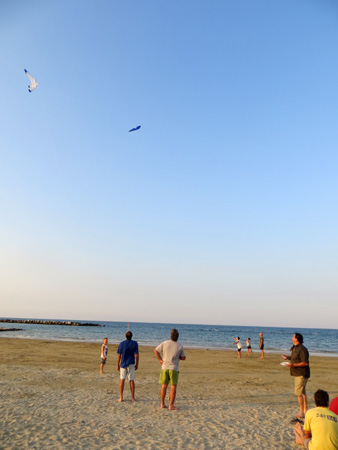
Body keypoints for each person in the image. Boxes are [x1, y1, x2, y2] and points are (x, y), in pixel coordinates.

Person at [154, 328, 186, 410]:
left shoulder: (165, 343)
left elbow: (156, 351)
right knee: (173, 386)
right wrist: (179, 357)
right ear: (177, 336)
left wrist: (160, 360)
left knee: (164, 386)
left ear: (170, 336)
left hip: (164, 367)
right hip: (173, 368)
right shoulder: (179, 345)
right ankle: (171, 405)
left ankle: (162, 403)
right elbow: (183, 357)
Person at [282, 332, 310, 419]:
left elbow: (305, 362)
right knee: (302, 393)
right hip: (297, 373)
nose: (292, 337)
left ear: (296, 339)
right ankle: (305, 411)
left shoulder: (302, 349)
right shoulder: (295, 348)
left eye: (293, 336)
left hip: (301, 373)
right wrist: (287, 358)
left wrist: (293, 365)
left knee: (298, 393)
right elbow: (296, 358)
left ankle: (302, 412)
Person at [117, 331, 139, 402]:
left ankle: (121, 397)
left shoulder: (122, 343)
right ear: (131, 336)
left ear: (125, 336)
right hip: (131, 363)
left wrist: (118, 364)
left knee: (122, 380)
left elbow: (119, 355)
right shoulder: (135, 343)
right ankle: (133, 397)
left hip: (123, 364)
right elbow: (137, 355)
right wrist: (137, 364)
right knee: (131, 380)